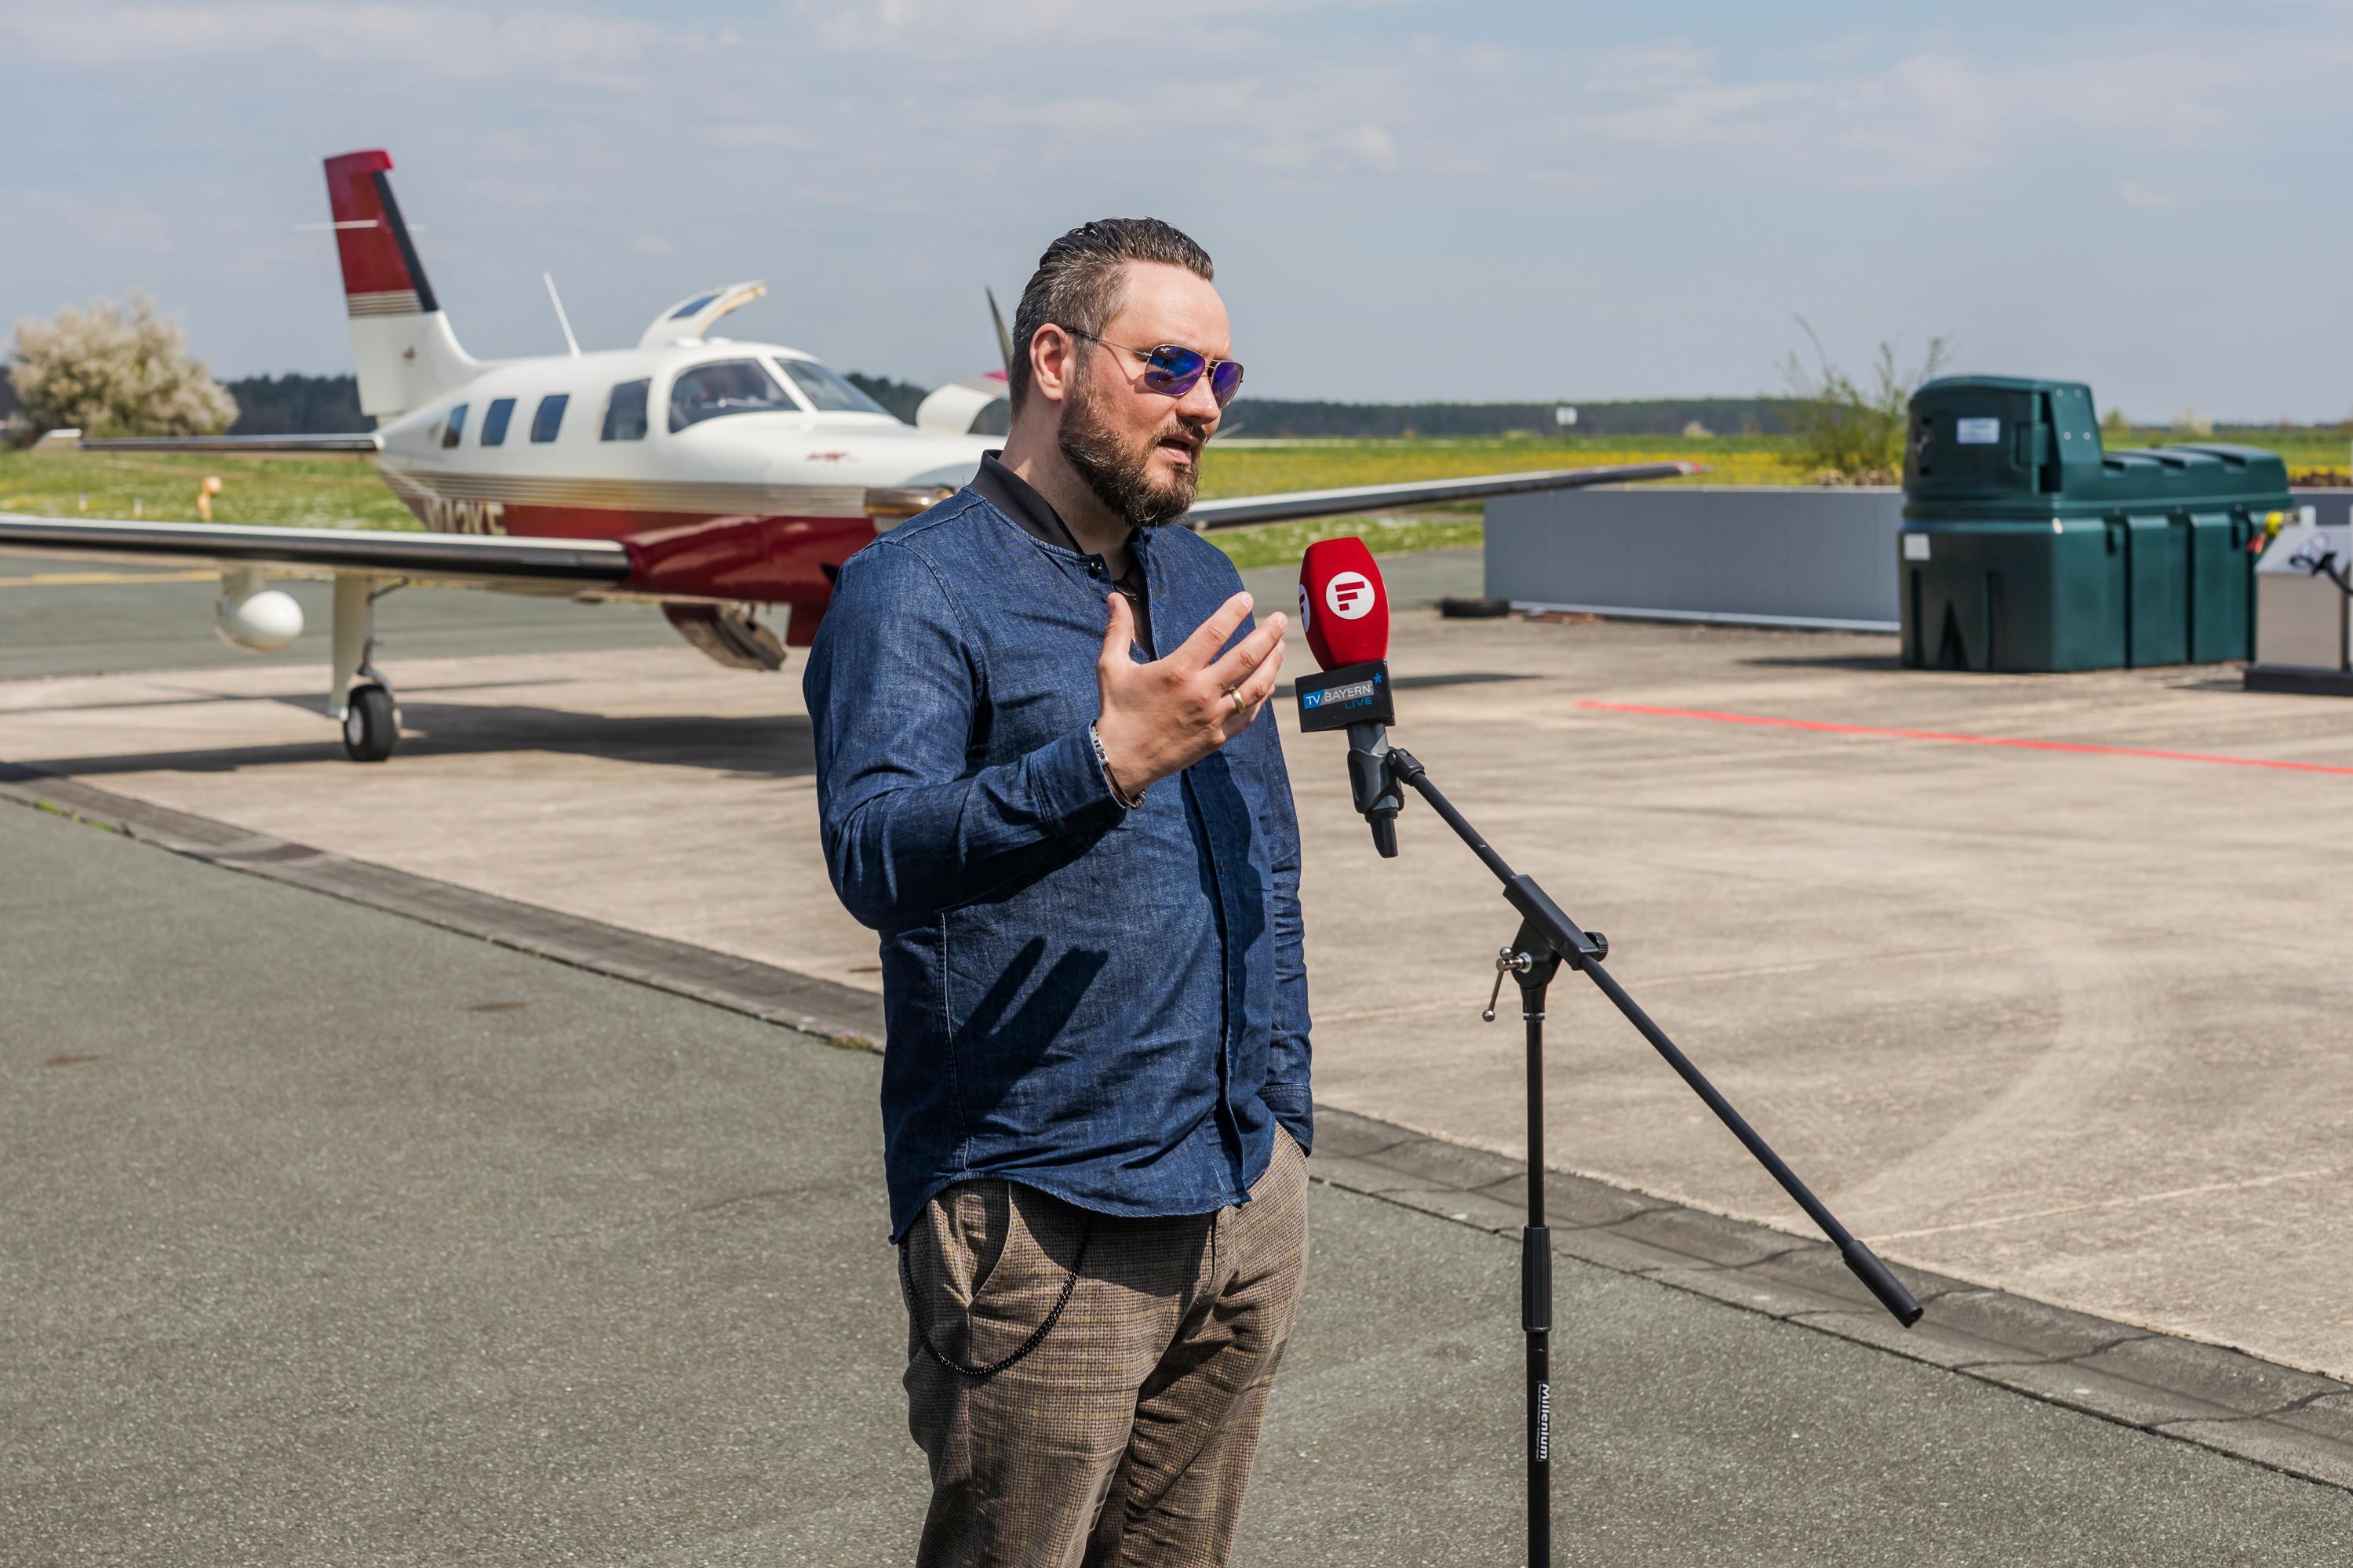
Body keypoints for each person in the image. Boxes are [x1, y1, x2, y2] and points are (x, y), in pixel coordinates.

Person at [804, 218, 1313, 1566]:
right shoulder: (912, 595)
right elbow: (875, 852)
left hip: (1237, 1195)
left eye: (1223, 376)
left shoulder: (1198, 579)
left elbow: (1268, 861)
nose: (1202, 405)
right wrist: (1105, 763)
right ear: (1052, 357)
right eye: (1166, 367)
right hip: (1039, 1216)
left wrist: (1287, 1119)